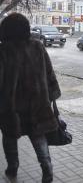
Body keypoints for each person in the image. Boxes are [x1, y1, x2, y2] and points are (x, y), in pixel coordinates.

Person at [0, 13, 60, 182]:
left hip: (11, 107)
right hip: (38, 103)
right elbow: (49, 73)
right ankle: (47, 168)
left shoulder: (3, 50)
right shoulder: (37, 46)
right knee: (39, 137)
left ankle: (12, 168)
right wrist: (52, 94)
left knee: (9, 137)